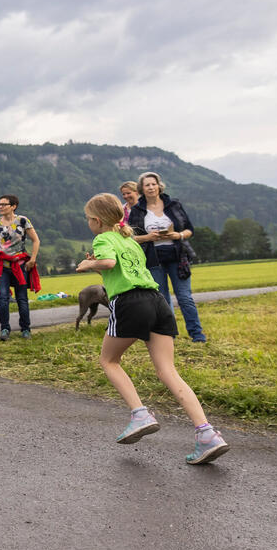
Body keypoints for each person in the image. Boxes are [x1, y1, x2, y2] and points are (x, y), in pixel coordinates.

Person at [76, 193, 229, 464]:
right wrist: (97, 269)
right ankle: (207, 434)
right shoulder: (128, 239)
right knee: (168, 371)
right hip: (158, 302)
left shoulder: (102, 239)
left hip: (130, 303)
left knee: (109, 361)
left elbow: (110, 263)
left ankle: (140, 414)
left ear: (97, 221)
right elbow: (120, 271)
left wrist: (89, 263)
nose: (88, 223)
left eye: (88, 219)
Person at [126, 172, 206, 342]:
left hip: (177, 257)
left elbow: (190, 229)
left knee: (184, 297)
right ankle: (170, 336)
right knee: (162, 299)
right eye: (147, 185)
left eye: (153, 184)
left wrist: (178, 235)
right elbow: (130, 237)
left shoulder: (174, 205)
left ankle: (197, 335)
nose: (151, 187)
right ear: (142, 189)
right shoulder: (137, 210)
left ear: (159, 186)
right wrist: (148, 237)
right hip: (153, 259)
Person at [0, 195, 40, 340]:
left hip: (20, 265)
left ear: (13, 206)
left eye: (4, 204)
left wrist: (33, 259)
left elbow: (36, 240)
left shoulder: (23, 221)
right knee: (2, 297)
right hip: (1, 266)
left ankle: (26, 329)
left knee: (22, 298)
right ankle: (4, 329)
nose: (0, 207)